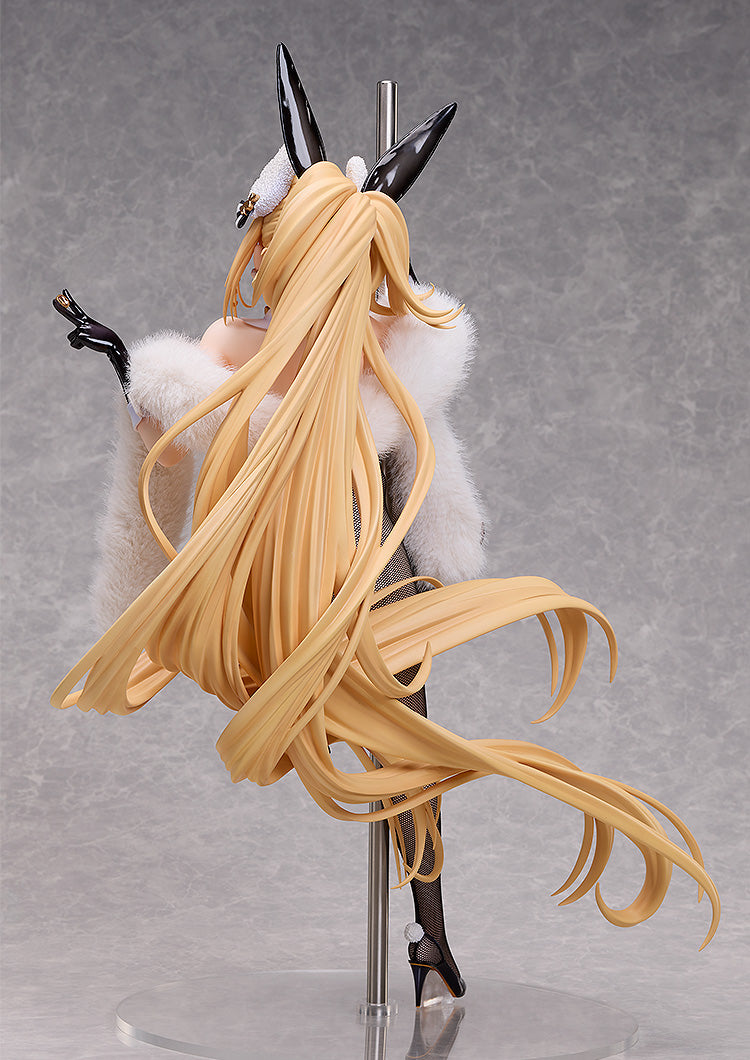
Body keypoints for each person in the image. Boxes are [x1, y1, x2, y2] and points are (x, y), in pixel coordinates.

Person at [51, 45, 719, 1007]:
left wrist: (133, 368)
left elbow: (381, 454)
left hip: (359, 572)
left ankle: (430, 937)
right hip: (308, 571)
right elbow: (194, 427)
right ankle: (430, 933)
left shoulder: (348, 352)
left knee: (408, 750)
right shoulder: (283, 345)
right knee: (404, 749)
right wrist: (131, 365)